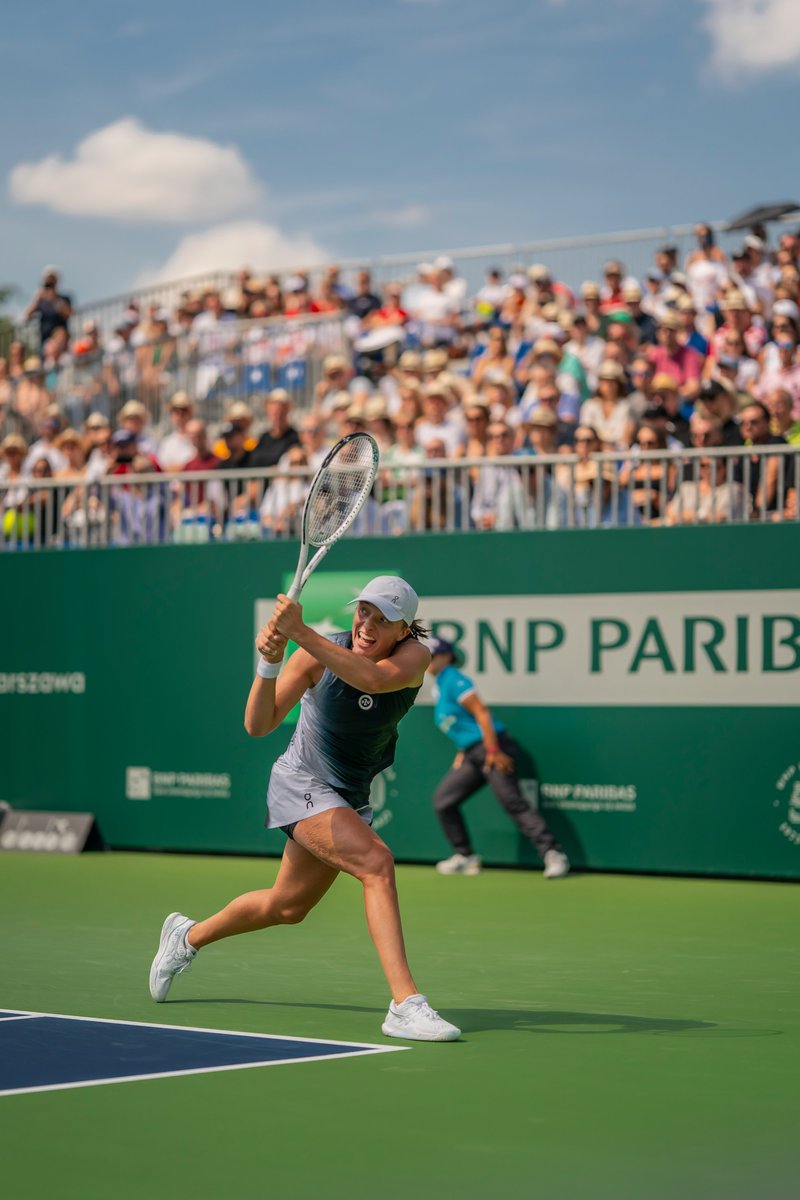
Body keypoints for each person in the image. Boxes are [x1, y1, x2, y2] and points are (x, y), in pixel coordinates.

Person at [149, 576, 460, 1042]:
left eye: (383, 620)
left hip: (348, 795)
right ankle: (405, 1004)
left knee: (286, 906)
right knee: (377, 864)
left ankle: (186, 937)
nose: (368, 626)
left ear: (404, 629)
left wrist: (298, 631)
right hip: (302, 783)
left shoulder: (415, 655)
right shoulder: (313, 655)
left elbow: (373, 679)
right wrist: (269, 662)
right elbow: (258, 724)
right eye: (363, 612)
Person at [427, 638, 569, 880]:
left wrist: (493, 750)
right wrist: (464, 750)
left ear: (446, 657)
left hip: (493, 748)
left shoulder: (454, 679)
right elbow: (463, 724)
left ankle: (553, 854)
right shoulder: (439, 684)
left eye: (432, 655)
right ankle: (465, 856)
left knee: (512, 802)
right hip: (474, 753)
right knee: (444, 801)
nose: (427, 661)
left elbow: (481, 712)